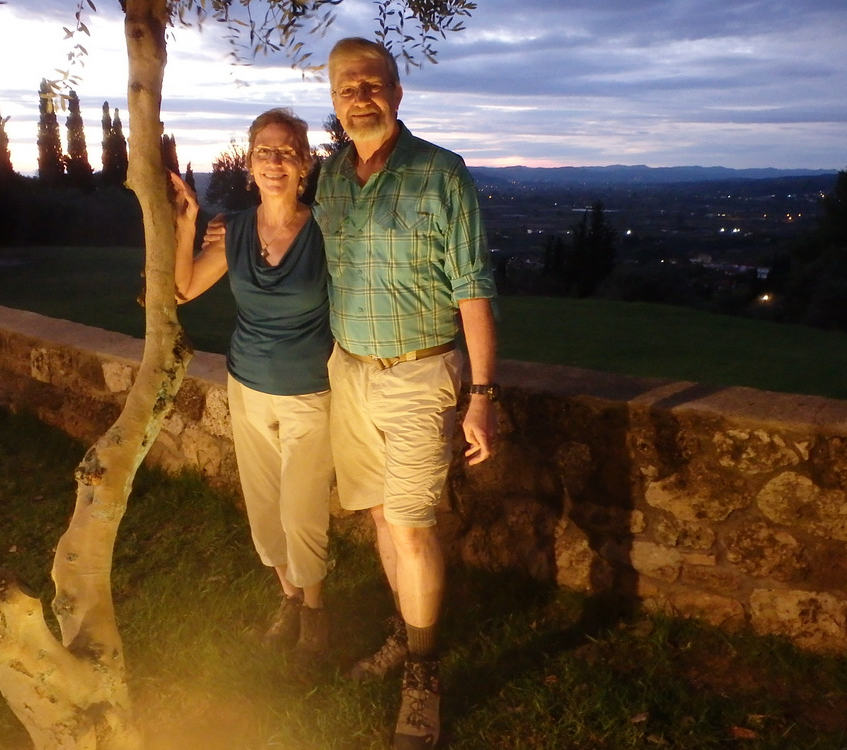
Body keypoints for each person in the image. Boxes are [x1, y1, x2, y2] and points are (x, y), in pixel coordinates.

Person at [317, 36, 499, 749]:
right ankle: (405, 630)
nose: (358, 94)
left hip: (421, 373)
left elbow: (475, 291)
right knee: (382, 521)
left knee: (415, 526)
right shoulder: (331, 176)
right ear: (333, 102)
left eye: (371, 82)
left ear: (396, 91)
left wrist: (481, 393)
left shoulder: (442, 174)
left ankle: (423, 676)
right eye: (345, 86)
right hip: (349, 369)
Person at [171, 107, 334, 662]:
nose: (274, 161)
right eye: (264, 151)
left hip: (311, 390)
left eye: (286, 151)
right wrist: (189, 219)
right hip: (247, 386)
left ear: (304, 163)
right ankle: (288, 598)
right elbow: (184, 286)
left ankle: (315, 612)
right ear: (249, 161)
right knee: (263, 507)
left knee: (302, 510)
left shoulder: (327, 229)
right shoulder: (235, 229)